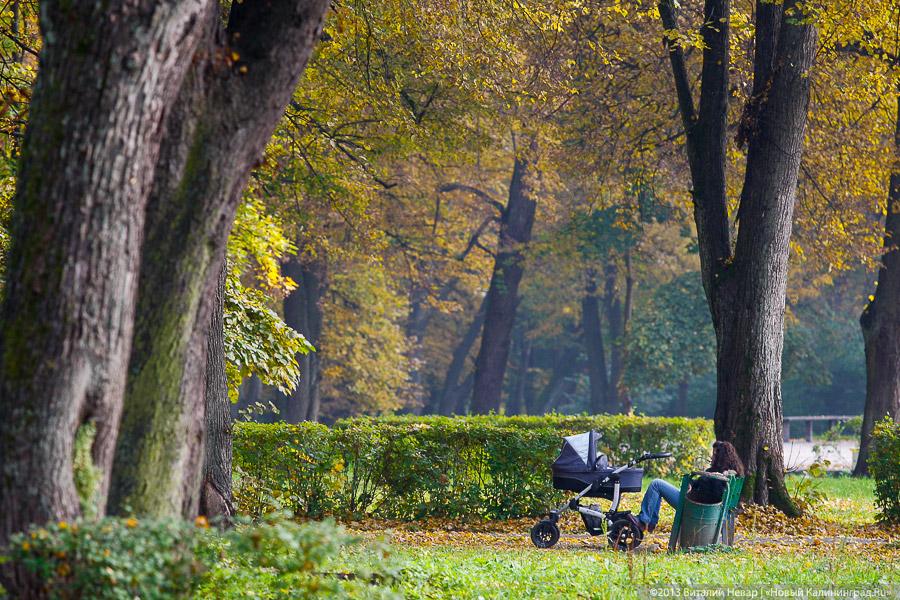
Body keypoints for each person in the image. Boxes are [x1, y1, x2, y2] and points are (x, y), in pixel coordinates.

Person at [636, 440, 745, 533]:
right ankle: (649, 522)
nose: (712, 457)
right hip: (698, 503)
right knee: (658, 486)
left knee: (656, 484)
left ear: (721, 457)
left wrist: (695, 487)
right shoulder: (730, 474)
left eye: (714, 455)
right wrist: (692, 484)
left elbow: (714, 495)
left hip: (695, 507)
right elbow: (701, 485)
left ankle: (644, 521)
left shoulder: (718, 476)